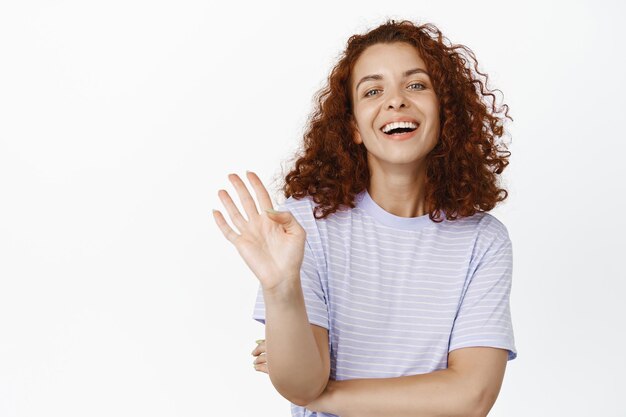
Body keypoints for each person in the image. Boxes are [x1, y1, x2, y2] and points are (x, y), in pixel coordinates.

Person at [213, 18, 516, 417]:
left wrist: (324, 394)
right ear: (353, 126)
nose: (395, 101)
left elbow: (471, 397)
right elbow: (300, 382)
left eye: (417, 85)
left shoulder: (484, 240)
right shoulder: (304, 227)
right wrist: (281, 288)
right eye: (373, 90)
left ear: (446, 114)